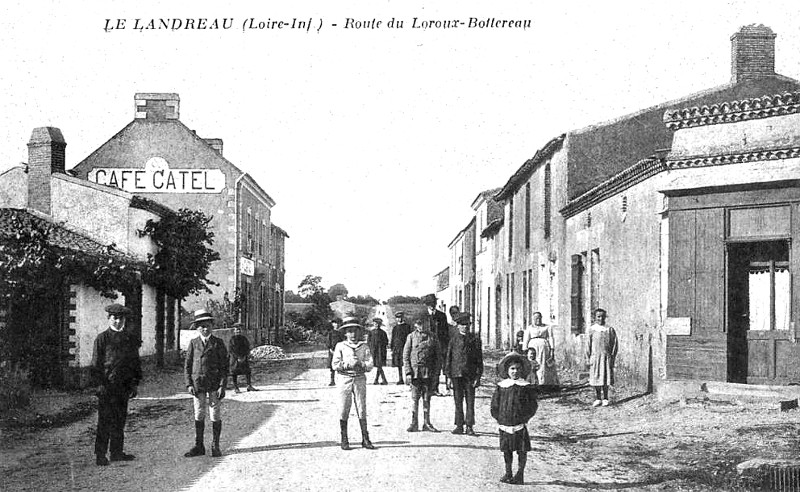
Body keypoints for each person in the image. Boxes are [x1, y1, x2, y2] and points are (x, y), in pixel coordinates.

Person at [91, 303, 142, 466]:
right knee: (104, 421)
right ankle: (100, 454)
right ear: (109, 319)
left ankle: (116, 452)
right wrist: (99, 385)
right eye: (114, 318)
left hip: (123, 386)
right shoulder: (102, 339)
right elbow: (95, 364)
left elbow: (135, 363)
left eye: (121, 318)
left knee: (120, 420)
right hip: (107, 386)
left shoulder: (130, 338)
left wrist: (134, 383)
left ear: (124, 320)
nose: (118, 321)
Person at [184, 309, 229, 458]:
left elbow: (224, 366)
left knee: (214, 414)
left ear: (212, 326)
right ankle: (199, 446)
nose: (205, 328)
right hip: (198, 384)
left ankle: (215, 445)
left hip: (214, 384)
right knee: (199, 413)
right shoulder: (193, 343)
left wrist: (222, 385)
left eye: (207, 325)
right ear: (196, 328)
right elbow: (188, 365)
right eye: (201, 326)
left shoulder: (218, 343)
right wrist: (189, 384)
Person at [491, 352, 539, 485]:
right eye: (512, 369)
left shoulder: (526, 386)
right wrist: (499, 417)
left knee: (521, 450)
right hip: (505, 423)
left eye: (518, 369)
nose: (515, 371)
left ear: (522, 370)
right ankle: (508, 472)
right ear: (507, 371)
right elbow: (495, 405)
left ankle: (520, 474)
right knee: (507, 449)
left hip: (519, 424)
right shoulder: (502, 386)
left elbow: (532, 405)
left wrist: (525, 418)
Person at [331, 317, 375, 450]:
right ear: (345, 333)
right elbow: (335, 364)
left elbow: (370, 364)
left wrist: (361, 364)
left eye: (355, 331)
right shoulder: (341, 346)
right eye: (350, 331)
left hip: (359, 378)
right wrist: (346, 364)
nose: (353, 335)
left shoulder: (364, 346)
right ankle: (344, 439)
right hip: (344, 379)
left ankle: (365, 438)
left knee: (361, 408)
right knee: (344, 408)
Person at [444, 312, 483, 436]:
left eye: (467, 325)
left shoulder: (475, 340)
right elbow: (448, 359)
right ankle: (459, 425)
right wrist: (448, 377)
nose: (465, 327)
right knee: (458, 401)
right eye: (462, 324)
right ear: (458, 326)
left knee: (470, 402)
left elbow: (479, 360)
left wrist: (478, 376)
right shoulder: (453, 340)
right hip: (456, 375)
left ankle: (469, 426)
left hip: (470, 376)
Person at [403, 318, 441, 432]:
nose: (422, 326)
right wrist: (408, 372)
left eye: (424, 324)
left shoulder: (433, 337)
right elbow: (405, 356)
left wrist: (436, 373)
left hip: (428, 373)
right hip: (415, 373)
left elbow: (438, 357)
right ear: (415, 325)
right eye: (419, 324)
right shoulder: (411, 337)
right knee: (415, 399)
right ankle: (414, 423)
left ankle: (426, 422)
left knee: (427, 398)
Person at [588, 308, 618, 407]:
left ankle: (605, 398)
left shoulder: (609, 329)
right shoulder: (592, 330)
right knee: (596, 377)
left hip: (606, 357)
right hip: (595, 357)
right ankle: (598, 398)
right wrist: (588, 357)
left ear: (605, 317)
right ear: (595, 317)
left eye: (603, 316)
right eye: (598, 316)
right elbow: (588, 345)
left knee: (605, 377)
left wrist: (612, 356)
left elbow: (614, 344)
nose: (601, 319)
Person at [421, 294, 449, 396]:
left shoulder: (442, 316)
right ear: (427, 305)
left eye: (433, 304)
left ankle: (435, 388)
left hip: (439, 345)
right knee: (427, 367)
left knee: (437, 367)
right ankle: (427, 389)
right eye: (429, 304)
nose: (432, 306)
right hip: (427, 346)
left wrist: (445, 346)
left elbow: (446, 333)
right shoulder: (423, 316)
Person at [522, 312, 558, 388]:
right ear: (533, 319)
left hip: (544, 349)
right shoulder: (529, 328)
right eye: (536, 318)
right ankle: (533, 383)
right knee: (533, 364)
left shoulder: (547, 327)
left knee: (543, 365)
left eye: (539, 318)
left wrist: (552, 349)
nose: (537, 320)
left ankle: (544, 384)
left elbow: (551, 338)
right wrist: (525, 350)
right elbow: (526, 339)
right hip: (532, 349)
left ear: (541, 318)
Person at [228, 322, 257, 393]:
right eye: (237, 330)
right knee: (234, 372)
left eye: (239, 330)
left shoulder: (244, 339)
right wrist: (237, 357)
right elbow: (231, 350)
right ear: (234, 331)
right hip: (235, 359)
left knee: (248, 371)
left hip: (244, 358)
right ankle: (236, 387)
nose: (238, 331)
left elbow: (247, 347)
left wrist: (245, 356)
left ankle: (249, 385)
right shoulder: (232, 339)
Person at [390, 311, 412, 384]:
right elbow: (393, 338)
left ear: (403, 318)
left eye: (400, 318)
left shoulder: (407, 327)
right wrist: (392, 348)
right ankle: (400, 379)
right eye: (397, 318)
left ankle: (408, 378)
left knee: (407, 363)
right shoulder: (395, 328)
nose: (399, 319)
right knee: (399, 364)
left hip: (405, 347)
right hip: (397, 349)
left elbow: (409, 337)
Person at [368, 317, 389, 385]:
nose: (376, 325)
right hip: (374, 351)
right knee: (378, 366)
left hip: (380, 352)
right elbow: (368, 341)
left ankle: (382, 380)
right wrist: (371, 348)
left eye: (377, 324)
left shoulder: (383, 333)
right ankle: (378, 380)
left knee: (379, 365)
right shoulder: (371, 332)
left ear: (380, 324)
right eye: (374, 323)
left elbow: (386, 342)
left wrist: (382, 348)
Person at [326, 318, 345, 386]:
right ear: (332, 324)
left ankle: (342, 380)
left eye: (337, 323)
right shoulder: (330, 333)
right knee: (332, 366)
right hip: (332, 351)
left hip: (340, 351)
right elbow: (328, 342)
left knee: (341, 365)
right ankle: (332, 380)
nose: (336, 325)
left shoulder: (342, 332)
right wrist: (330, 349)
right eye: (335, 323)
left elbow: (344, 342)